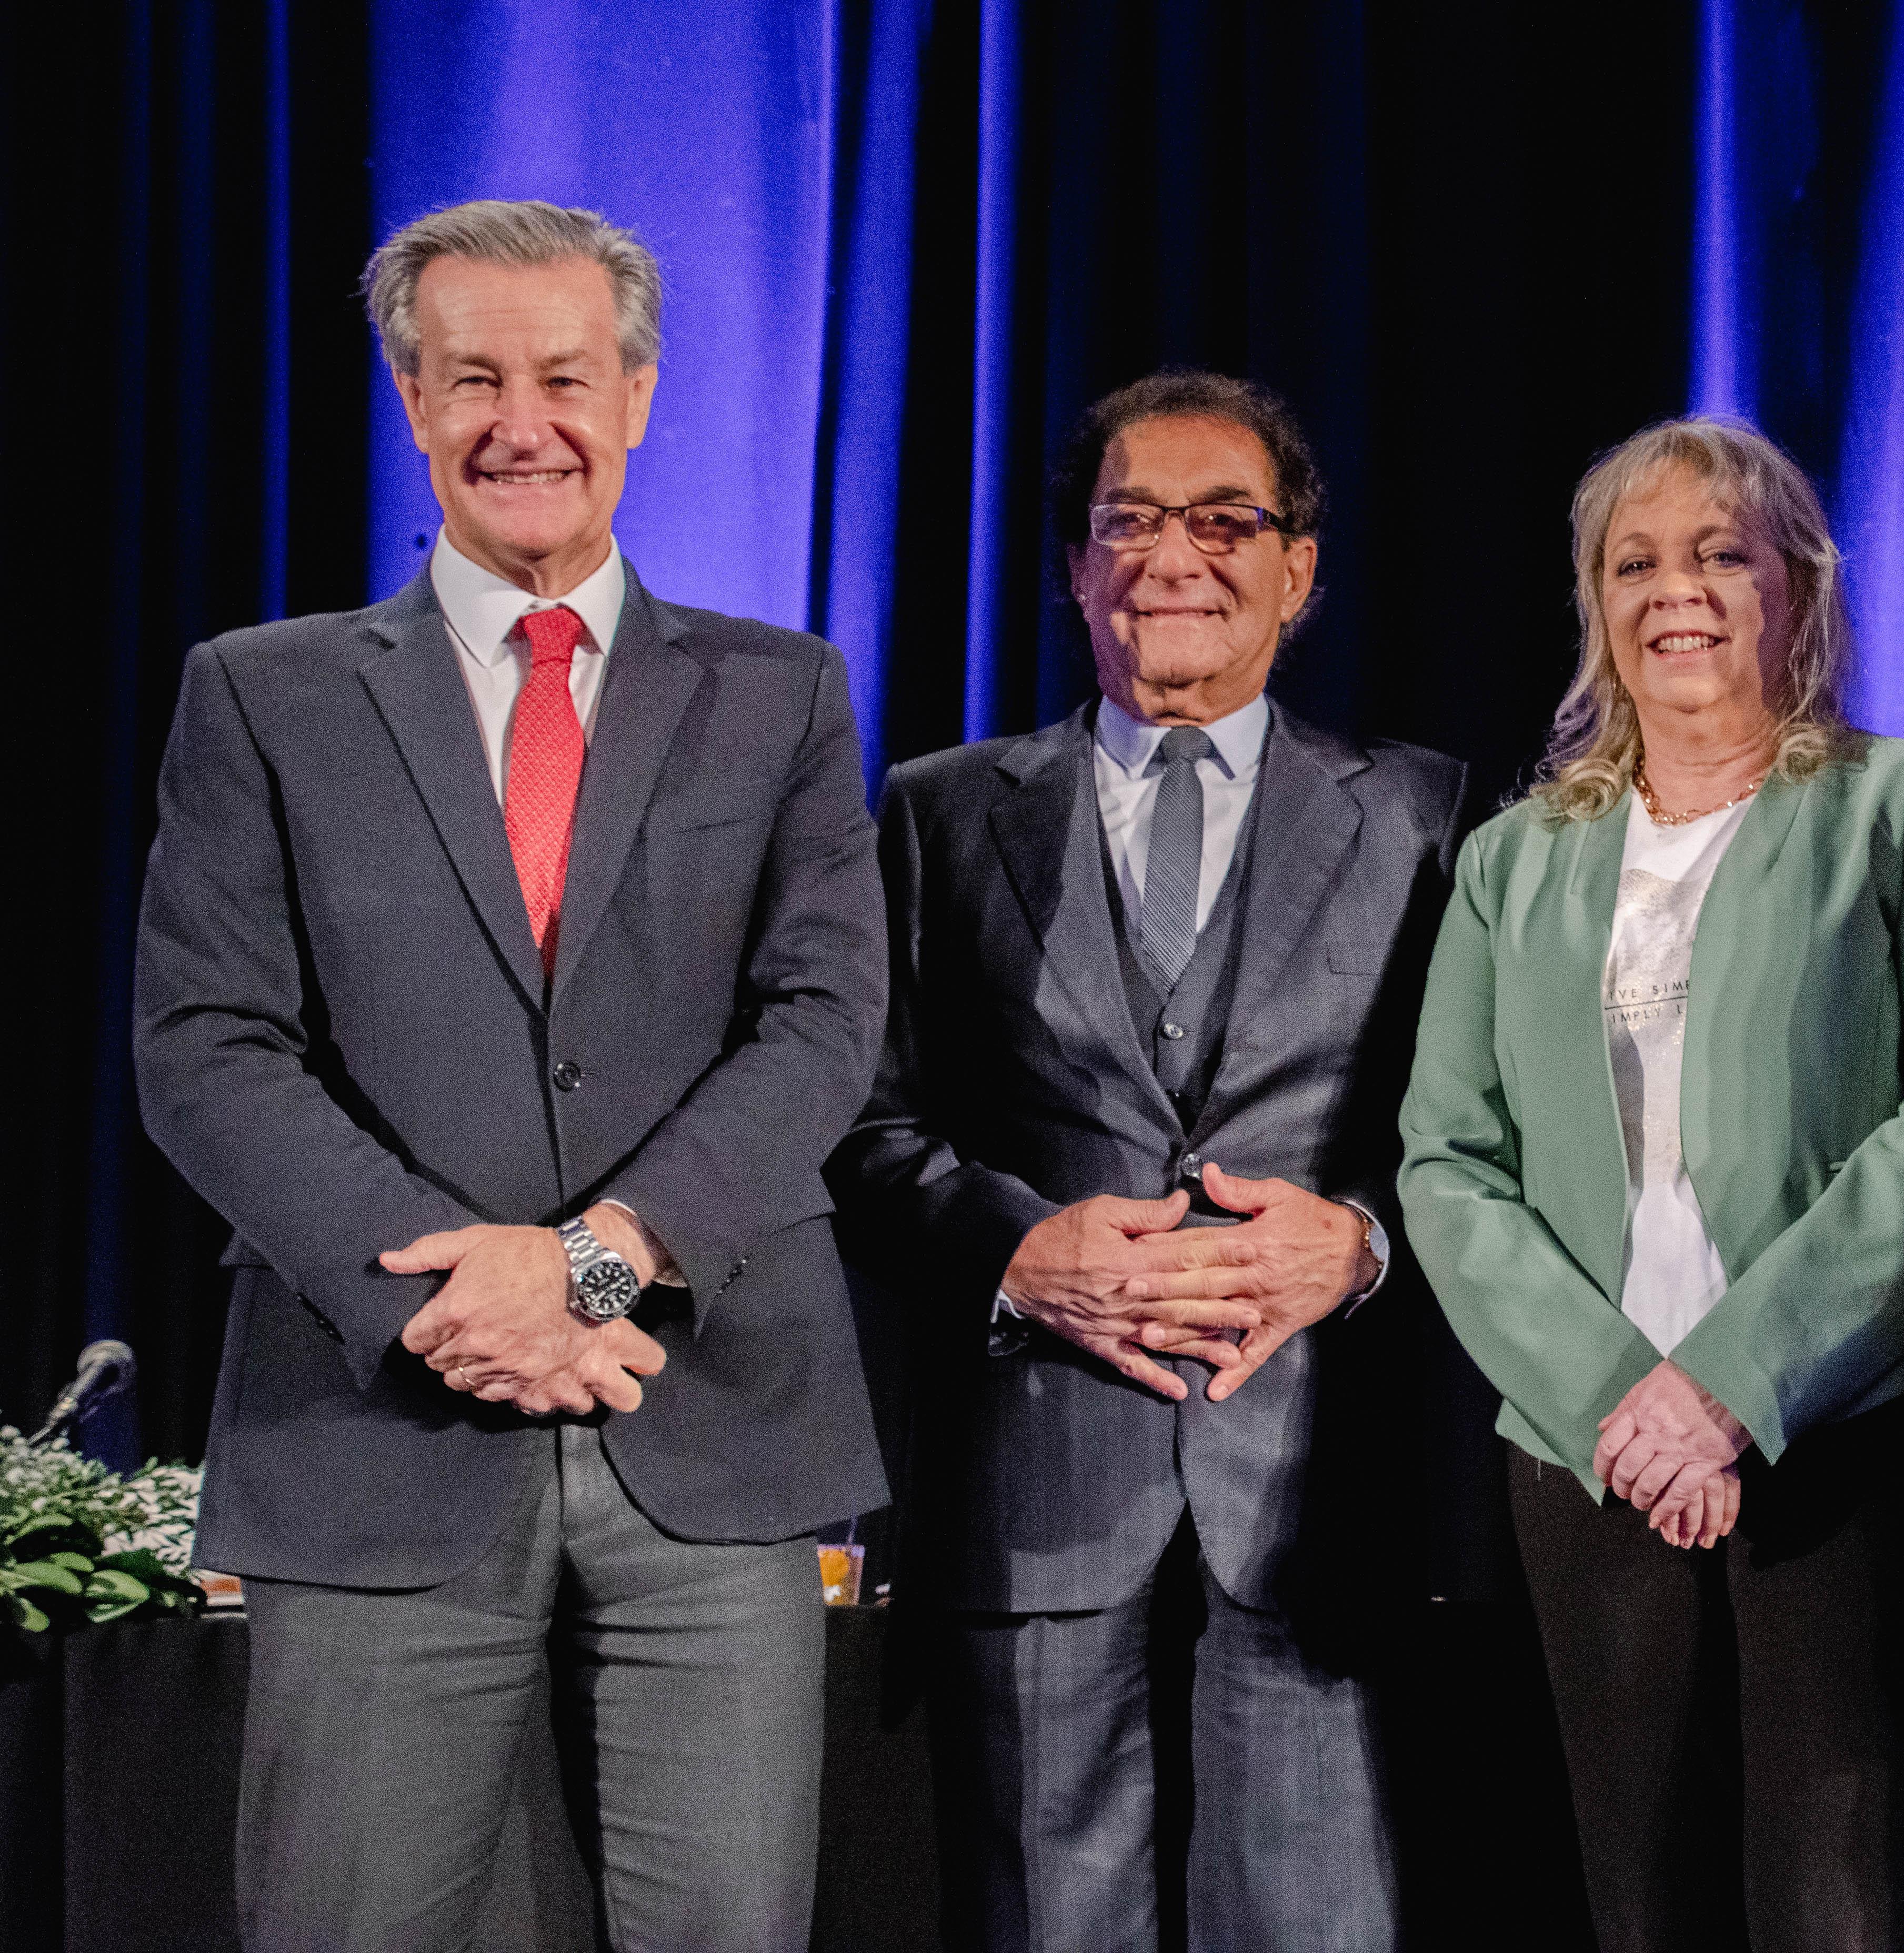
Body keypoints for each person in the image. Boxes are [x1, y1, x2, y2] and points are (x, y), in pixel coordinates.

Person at [132, 200, 889, 1949]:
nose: (520, 422)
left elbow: (824, 1023)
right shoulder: (264, 694)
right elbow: (204, 1043)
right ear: (413, 399)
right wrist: (451, 1294)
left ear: (637, 397)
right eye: (473, 377)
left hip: (716, 1431)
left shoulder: (782, 694)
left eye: (564, 376)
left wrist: (592, 1262)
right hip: (375, 1426)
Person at [827, 370, 1471, 1951]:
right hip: (1036, 1488)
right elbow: (857, 1121)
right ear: (1074, 567)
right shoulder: (935, 810)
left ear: (1299, 570)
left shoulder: (1427, 814)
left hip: (1318, 1495)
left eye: (1225, 519)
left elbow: (1484, 1138)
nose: (1174, 555)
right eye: (1130, 520)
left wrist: (1364, 1245)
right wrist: (1013, 1250)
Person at [1397, 417, 1904, 1953]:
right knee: (1638, 1898)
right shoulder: (1513, 861)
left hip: (1867, 1437)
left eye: (1718, 554)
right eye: (1635, 564)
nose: (1675, 591)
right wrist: (1624, 1397)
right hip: (1590, 1446)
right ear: (1598, 608)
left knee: (1843, 1905)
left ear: (1796, 588)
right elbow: (1446, 1160)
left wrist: (1731, 1386)